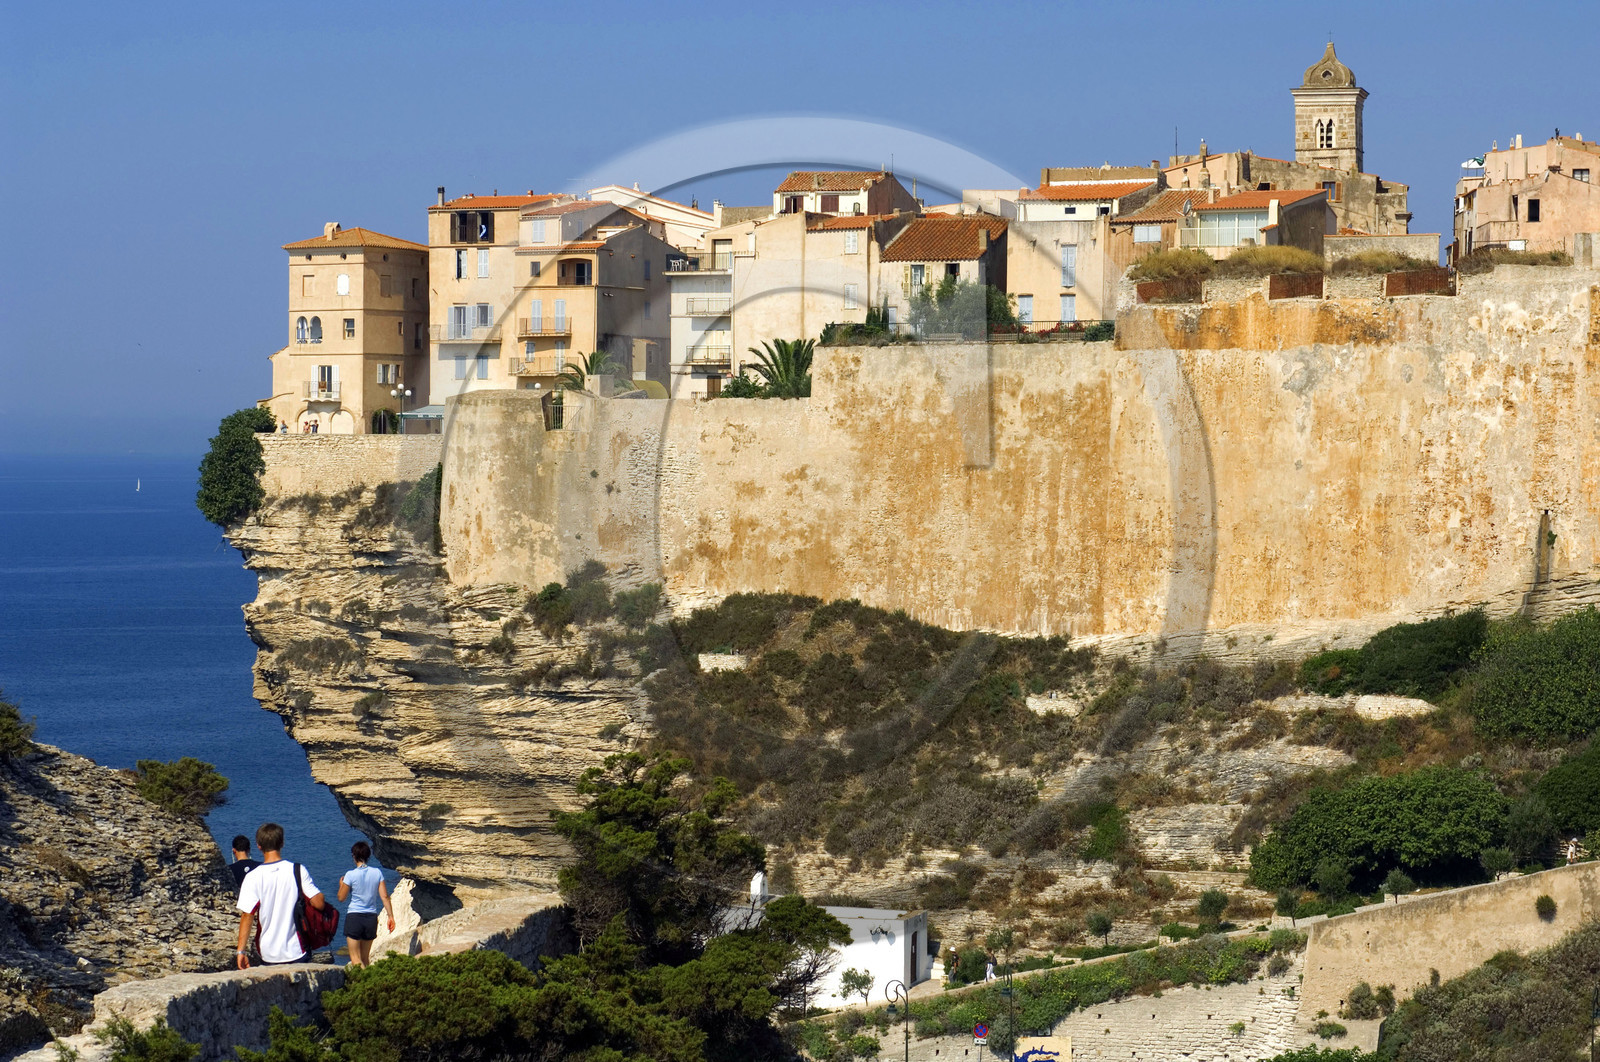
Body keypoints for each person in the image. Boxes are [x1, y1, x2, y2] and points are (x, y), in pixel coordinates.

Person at [236, 822, 327, 968]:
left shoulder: (253, 877)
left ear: (259, 846)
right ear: (282, 843)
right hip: (297, 949)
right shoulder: (297, 870)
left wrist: (241, 951)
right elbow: (319, 903)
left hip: (268, 952)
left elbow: (247, 915)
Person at [338, 841, 396, 966]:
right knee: (365, 959)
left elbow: (341, 898)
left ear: (354, 856)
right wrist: (390, 916)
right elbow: (385, 896)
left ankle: (362, 984)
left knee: (355, 959)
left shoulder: (350, 874)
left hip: (354, 917)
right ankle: (369, 983)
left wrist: (341, 885)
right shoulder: (377, 873)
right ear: (368, 856)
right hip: (370, 918)